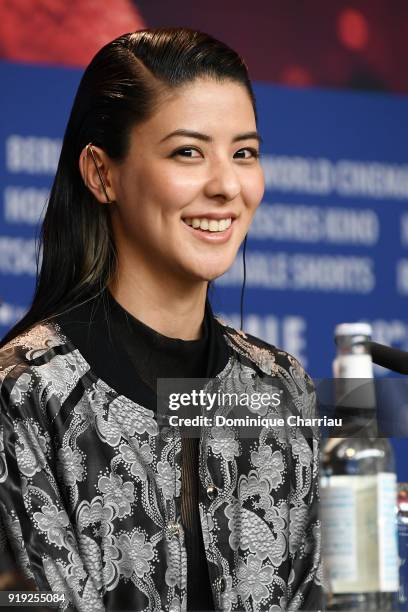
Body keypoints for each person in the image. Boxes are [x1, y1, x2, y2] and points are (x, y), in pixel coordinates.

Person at [0, 28, 324, 611]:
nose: (227, 185)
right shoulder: (26, 391)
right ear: (102, 174)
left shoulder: (279, 387)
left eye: (244, 152)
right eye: (188, 152)